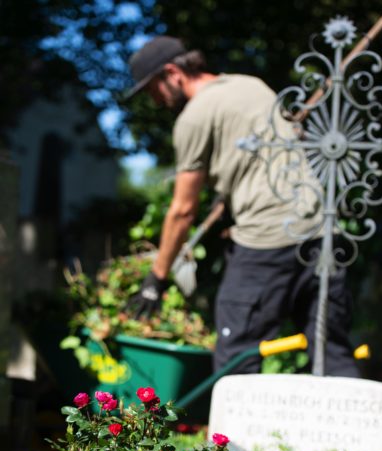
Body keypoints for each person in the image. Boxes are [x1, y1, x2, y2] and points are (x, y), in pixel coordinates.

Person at [125, 35, 360, 378]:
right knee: (331, 352)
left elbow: (183, 210)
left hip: (267, 239)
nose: (156, 101)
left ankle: (233, 435)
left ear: (173, 73)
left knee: (237, 353)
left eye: (152, 90)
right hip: (321, 232)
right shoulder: (252, 85)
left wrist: (156, 277)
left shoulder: (194, 117)